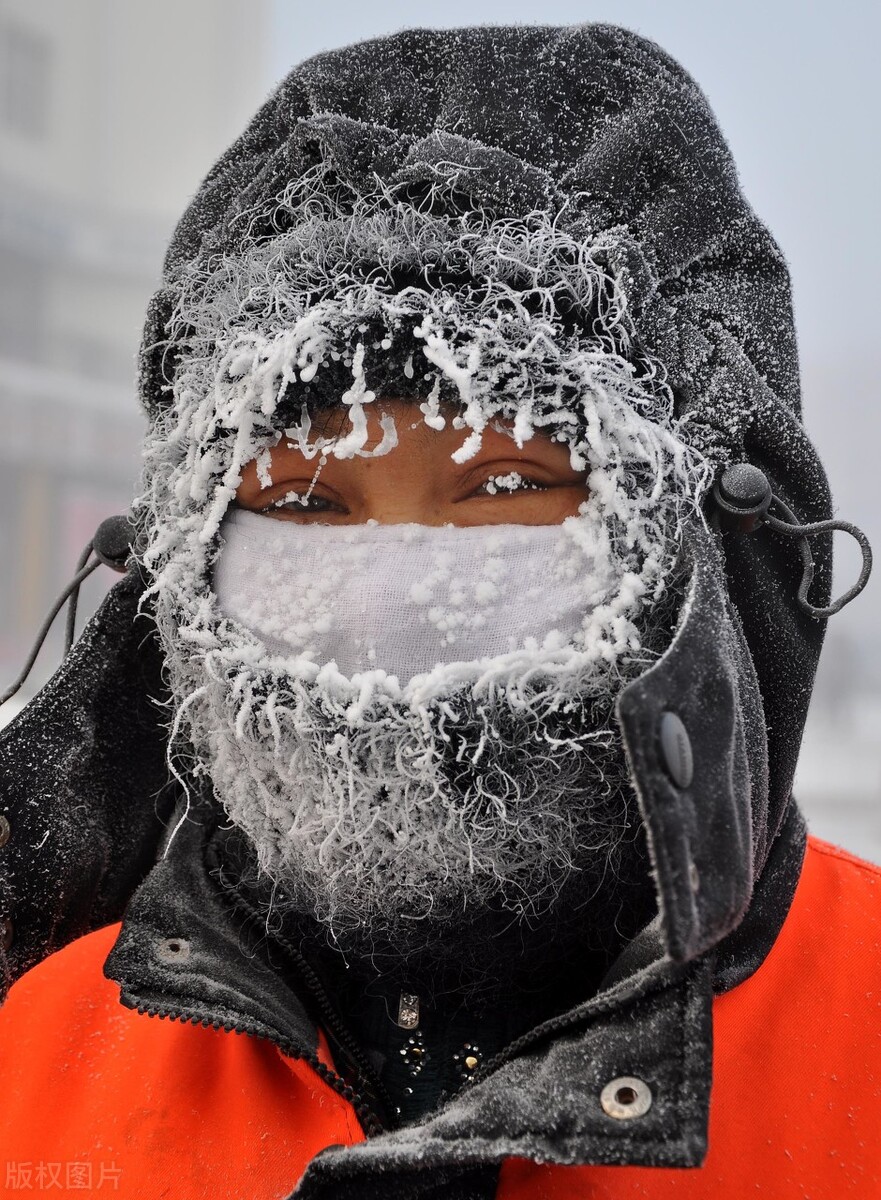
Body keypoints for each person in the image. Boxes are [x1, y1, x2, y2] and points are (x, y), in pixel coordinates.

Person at [0, 21, 878, 1200]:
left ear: (692, 530)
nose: (396, 575)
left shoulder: (857, 1022)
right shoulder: (39, 1050)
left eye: (507, 487)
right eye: (307, 501)